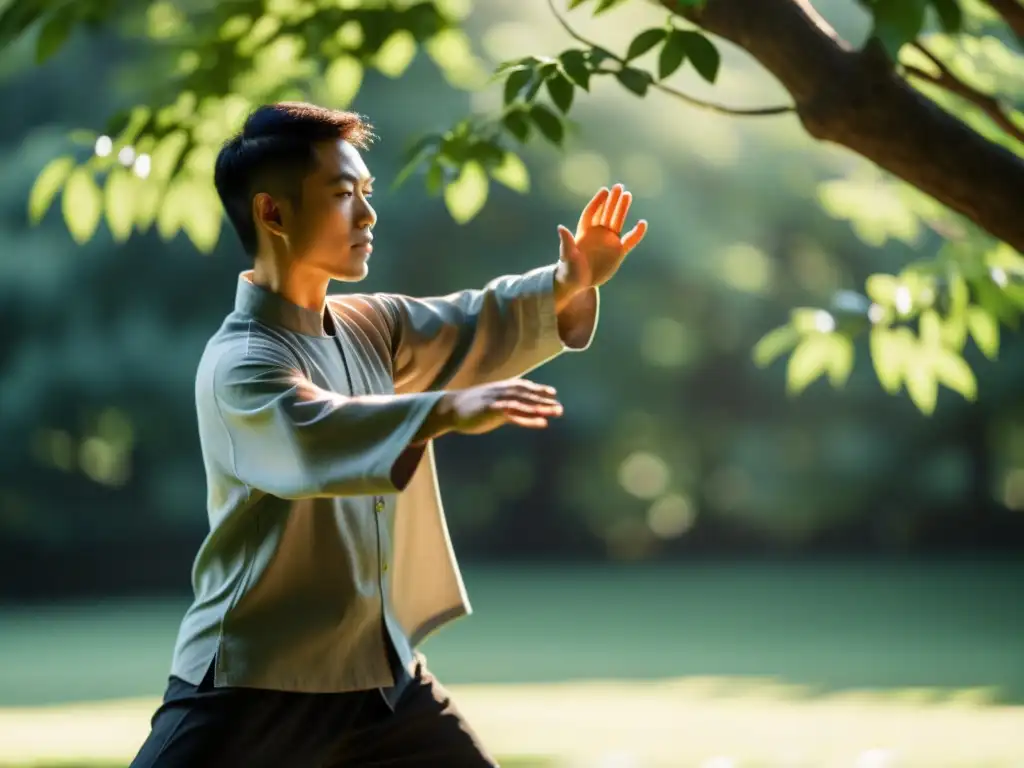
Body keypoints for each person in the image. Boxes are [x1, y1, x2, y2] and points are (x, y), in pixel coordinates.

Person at [130, 101, 648, 767]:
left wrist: (569, 281)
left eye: (366, 193)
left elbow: (477, 318)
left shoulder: (372, 324)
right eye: (344, 195)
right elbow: (314, 434)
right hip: (253, 687)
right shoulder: (241, 362)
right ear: (272, 214)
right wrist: (443, 409)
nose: (368, 215)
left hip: (383, 683)